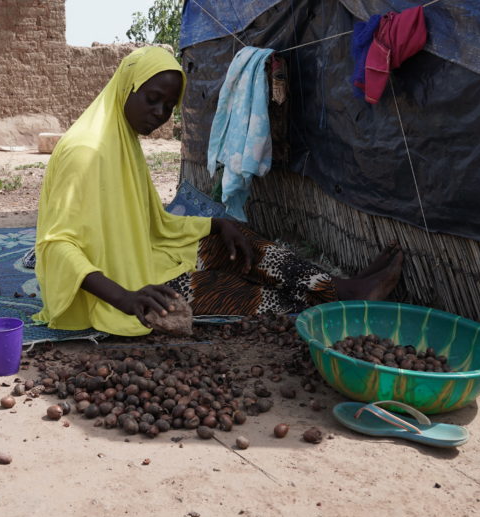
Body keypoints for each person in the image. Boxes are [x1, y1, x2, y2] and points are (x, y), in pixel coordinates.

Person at [33, 46, 402, 337]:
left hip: (145, 259)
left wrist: (214, 225)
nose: (160, 113)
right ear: (127, 87)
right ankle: (341, 298)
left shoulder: (122, 140)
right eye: (152, 99)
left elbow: (149, 224)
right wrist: (126, 298)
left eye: (168, 106)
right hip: (114, 292)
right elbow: (57, 246)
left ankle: (340, 286)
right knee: (232, 289)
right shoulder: (84, 151)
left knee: (241, 244)